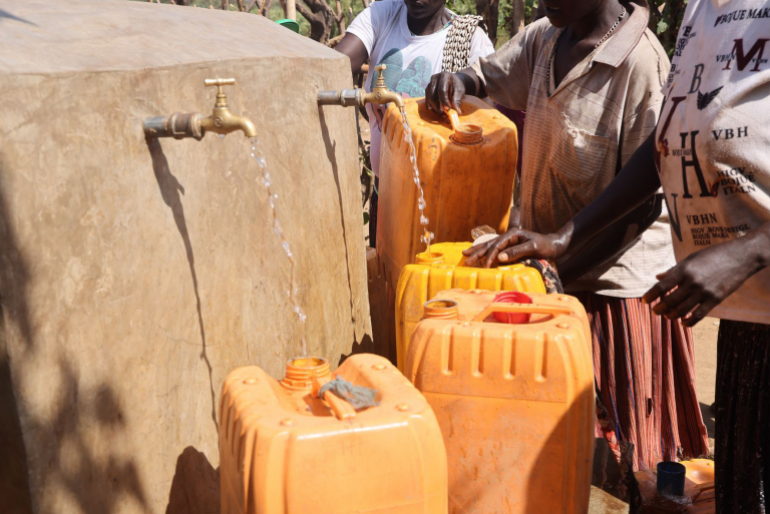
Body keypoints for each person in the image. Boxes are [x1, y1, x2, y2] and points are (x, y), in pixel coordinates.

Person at [460, 0, 770, 510]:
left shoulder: (643, 58)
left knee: (630, 463)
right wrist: (561, 239)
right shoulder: (702, 11)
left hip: (652, 285)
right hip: (744, 313)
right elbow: (664, 142)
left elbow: (646, 198)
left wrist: (747, 252)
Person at [426, 0, 711, 476]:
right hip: (549, 271)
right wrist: (459, 83)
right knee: (550, 453)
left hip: (614, 292)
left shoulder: (641, 64)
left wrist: (562, 254)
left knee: (619, 463)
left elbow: (643, 203)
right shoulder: (546, 37)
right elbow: (486, 77)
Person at [335, 0, 495, 246]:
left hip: (439, 206)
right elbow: (338, 62)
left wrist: (461, 81)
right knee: (385, 278)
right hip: (385, 194)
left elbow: (490, 84)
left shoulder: (468, 40)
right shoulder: (385, 15)